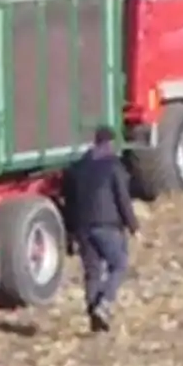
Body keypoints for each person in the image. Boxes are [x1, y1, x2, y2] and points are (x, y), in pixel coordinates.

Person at [59, 123, 138, 333]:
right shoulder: (114, 166)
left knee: (92, 273)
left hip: (83, 229)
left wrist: (71, 232)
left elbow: (69, 200)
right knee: (119, 264)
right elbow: (122, 198)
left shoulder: (77, 167)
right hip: (108, 226)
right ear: (111, 143)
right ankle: (105, 303)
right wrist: (133, 225)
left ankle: (95, 322)